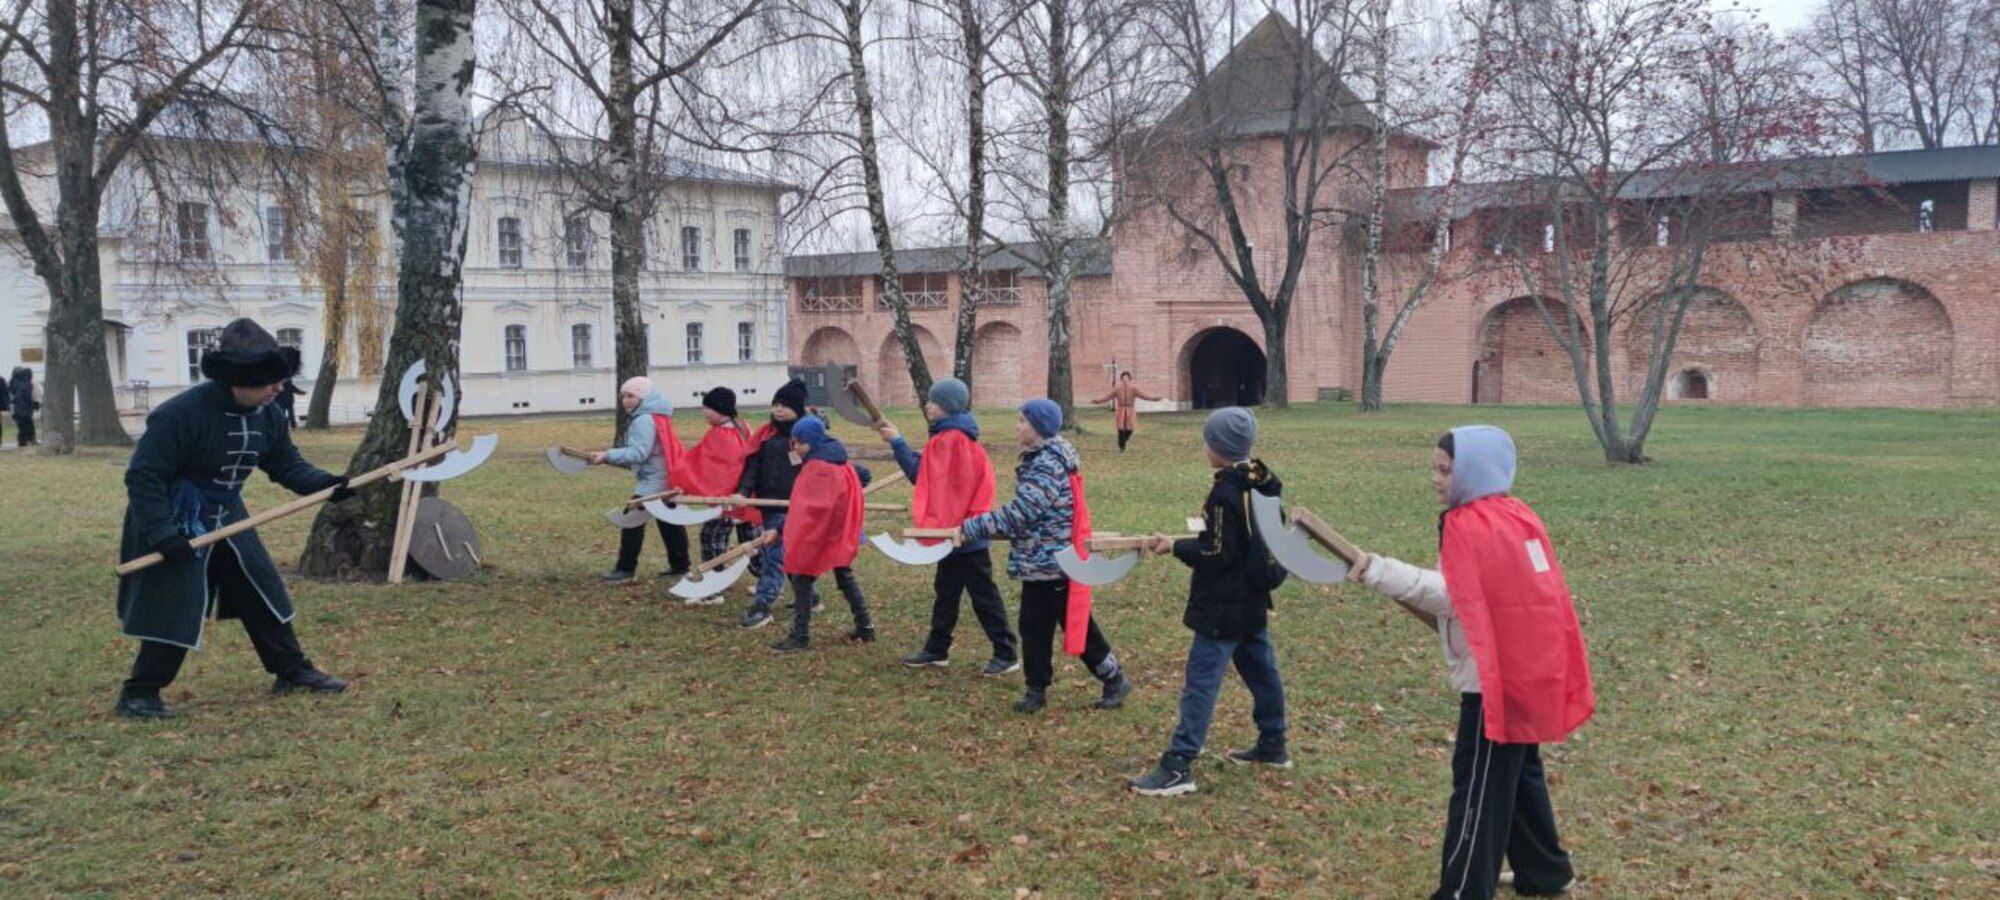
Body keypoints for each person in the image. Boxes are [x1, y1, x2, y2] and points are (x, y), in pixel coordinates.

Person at [1347, 426, 1593, 899]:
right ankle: (1546, 871)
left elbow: (1451, 594)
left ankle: (1463, 890)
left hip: (1496, 681)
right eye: (1435, 469)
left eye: (1446, 470)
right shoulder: (1514, 515)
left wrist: (1379, 571)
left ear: (1475, 471)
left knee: (1479, 783)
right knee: (1518, 776)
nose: (1437, 479)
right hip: (1528, 668)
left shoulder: (1474, 523)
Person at [113, 319, 355, 720]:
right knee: (175, 603)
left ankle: (292, 671)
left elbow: (284, 463)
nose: (278, 388)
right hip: (175, 517)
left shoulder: (268, 414)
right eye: (269, 381)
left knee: (260, 589)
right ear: (237, 380)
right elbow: (144, 476)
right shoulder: (178, 415)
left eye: (280, 379)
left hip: (228, 516)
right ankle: (139, 693)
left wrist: (325, 484)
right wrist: (162, 533)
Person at [1129, 407, 1290, 797]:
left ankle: (1178, 765)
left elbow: (1217, 553)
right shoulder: (1259, 480)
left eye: (1207, 440)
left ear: (1217, 447)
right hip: (1252, 600)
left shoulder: (1225, 493)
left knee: (1200, 683)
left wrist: (1175, 547)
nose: (1205, 446)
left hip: (1222, 607)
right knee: (1262, 671)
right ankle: (1273, 743)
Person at [959, 398, 1133, 713]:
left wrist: (972, 527)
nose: (1017, 427)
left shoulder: (1048, 463)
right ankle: (1036, 689)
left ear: (1038, 427)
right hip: (1040, 561)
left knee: (1076, 625)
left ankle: (1114, 678)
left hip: (1054, 561)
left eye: (1022, 421)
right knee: (1033, 627)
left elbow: (1022, 512)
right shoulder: (1041, 459)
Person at [876, 377, 1020, 676]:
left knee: (983, 596)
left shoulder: (951, 440)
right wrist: (899, 443)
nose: (927, 405)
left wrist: (898, 443)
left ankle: (1006, 653)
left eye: (934, 401)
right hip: (954, 533)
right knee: (946, 592)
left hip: (963, 534)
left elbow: (923, 477)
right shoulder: (950, 437)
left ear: (949, 406)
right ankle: (937, 648)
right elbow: (929, 474)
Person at [768, 415, 874, 653]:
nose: (796, 447)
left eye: (800, 442)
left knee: (801, 577)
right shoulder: (837, 458)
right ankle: (865, 626)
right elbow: (863, 476)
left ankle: (800, 636)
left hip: (821, 533)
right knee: (843, 574)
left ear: (814, 439)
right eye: (794, 442)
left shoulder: (820, 468)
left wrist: (783, 530)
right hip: (838, 531)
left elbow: (807, 510)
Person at [589, 377, 692, 582]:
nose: (626, 401)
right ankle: (680, 566)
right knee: (669, 521)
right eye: (624, 396)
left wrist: (607, 455)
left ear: (643, 397)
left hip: (655, 481)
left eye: (631, 396)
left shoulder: (644, 419)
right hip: (665, 477)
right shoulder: (657, 415)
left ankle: (626, 569)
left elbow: (638, 453)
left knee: (631, 520)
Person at [672, 386, 761, 604]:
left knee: (712, 537)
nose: (703, 411)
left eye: (707, 408)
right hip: (747, 498)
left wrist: (679, 478)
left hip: (727, 501)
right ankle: (768, 581)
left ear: (720, 409)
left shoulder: (722, 435)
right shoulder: (742, 426)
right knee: (752, 540)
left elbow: (710, 468)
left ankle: (712, 590)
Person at [1092, 371, 1161, 453]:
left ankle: (1124, 441)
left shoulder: (1134, 388)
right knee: (1120, 429)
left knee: (1130, 429)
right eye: (1123, 378)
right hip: (1121, 410)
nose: (1125, 380)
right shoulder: (1117, 388)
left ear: (1130, 379)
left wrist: (1153, 399)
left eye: (1127, 378)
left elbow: (1143, 395)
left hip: (1130, 410)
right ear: (1121, 379)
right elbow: (1108, 396)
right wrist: (1098, 401)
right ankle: (1122, 447)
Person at [276, 347, 307, 429]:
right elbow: (292, 388)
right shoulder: (286, 379)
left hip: (283, 400)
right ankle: (292, 425)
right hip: (286, 400)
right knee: (288, 413)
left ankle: (288, 425)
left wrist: (300, 392)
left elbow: (292, 388)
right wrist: (300, 392)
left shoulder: (281, 378)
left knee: (285, 413)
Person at [10, 366, 40, 447]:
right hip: (25, 408)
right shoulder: (27, 383)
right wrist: (33, 404)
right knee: (28, 424)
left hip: (16, 408)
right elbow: (28, 397)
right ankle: (30, 440)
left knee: (21, 425)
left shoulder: (13, 383)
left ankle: (23, 441)